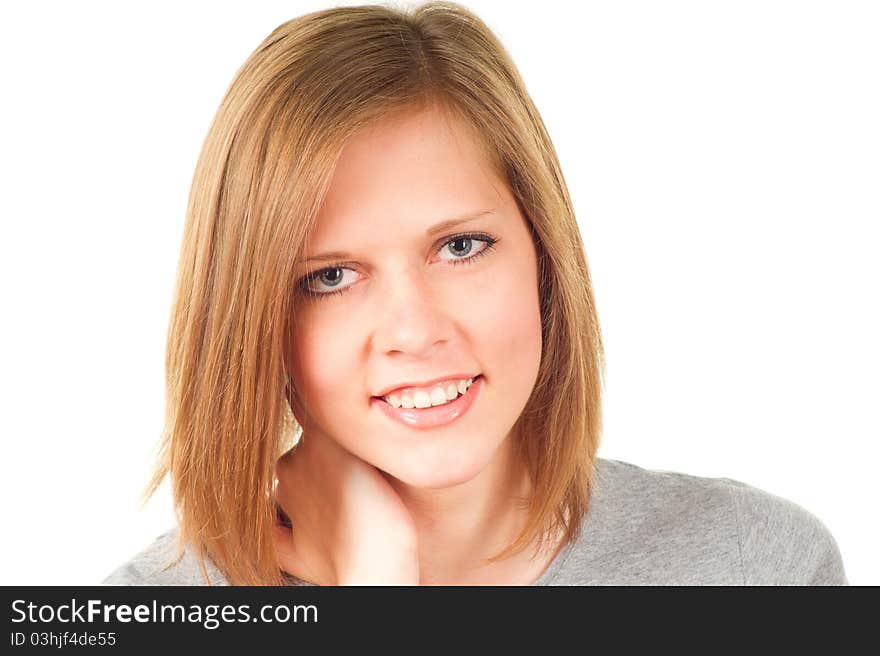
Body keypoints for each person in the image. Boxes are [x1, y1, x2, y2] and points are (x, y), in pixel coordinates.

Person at [103, 1, 846, 586]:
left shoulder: (759, 567)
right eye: (329, 277)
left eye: (460, 247)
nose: (415, 330)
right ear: (253, 319)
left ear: (544, 259)